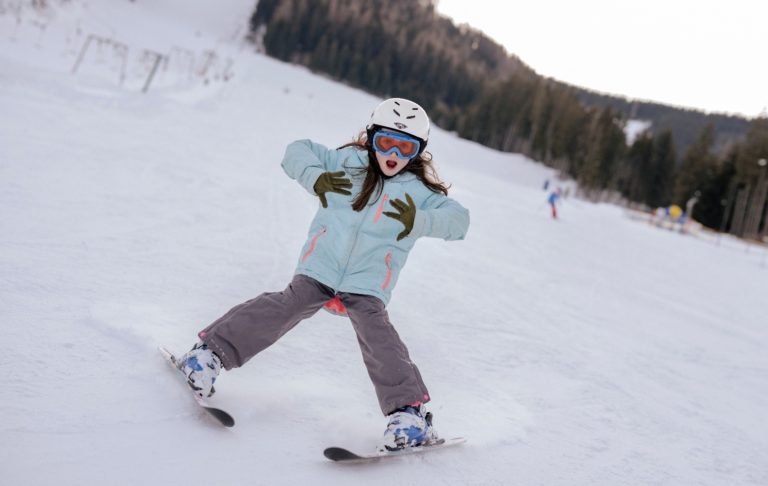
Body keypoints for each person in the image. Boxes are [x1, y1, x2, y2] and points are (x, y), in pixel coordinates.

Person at [175, 98, 470, 451]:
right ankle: (206, 356)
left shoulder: (419, 193)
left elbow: (459, 221)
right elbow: (296, 151)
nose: (393, 154)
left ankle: (408, 416)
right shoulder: (347, 163)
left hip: (368, 285)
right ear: (371, 138)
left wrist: (421, 220)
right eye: (385, 142)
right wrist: (316, 178)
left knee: (379, 337)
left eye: (405, 147)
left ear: (418, 152)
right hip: (320, 269)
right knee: (282, 308)